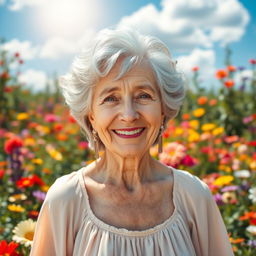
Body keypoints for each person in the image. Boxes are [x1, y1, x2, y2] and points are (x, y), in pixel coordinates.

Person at [30, 28, 234, 256]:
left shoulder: (194, 196)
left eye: (143, 96)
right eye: (111, 98)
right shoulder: (65, 200)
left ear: (163, 109)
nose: (129, 114)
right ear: (91, 116)